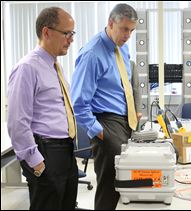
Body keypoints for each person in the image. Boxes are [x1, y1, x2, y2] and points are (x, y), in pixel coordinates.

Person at [7, 7, 78, 210]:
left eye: (72, 33)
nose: (71, 39)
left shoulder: (56, 66)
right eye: (67, 33)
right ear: (46, 32)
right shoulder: (27, 67)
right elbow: (17, 121)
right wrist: (36, 162)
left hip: (65, 150)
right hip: (45, 152)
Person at [71, 3, 138, 210]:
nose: (128, 35)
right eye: (124, 29)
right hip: (106, 123)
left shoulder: (122, 49)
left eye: (131, 30)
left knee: (124, 184)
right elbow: (79, 103)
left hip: (124, 122)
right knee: (110, 186)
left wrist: (132, 110)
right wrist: (100, 132)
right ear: (111, 23)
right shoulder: (92, 54)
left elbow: (122, 86)